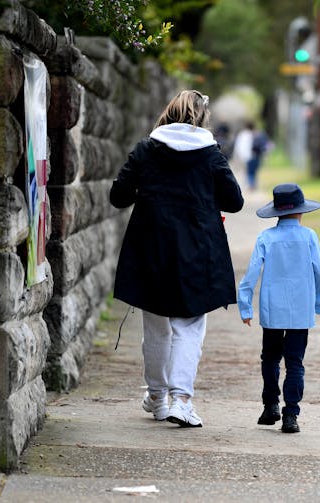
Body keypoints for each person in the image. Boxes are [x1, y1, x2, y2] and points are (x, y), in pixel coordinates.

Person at [110, 90, 244, 428]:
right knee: (189, 326)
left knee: (156, 326)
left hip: (151, 245)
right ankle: (181, 401)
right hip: (197, 250)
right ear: (201, 119)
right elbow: (234, 201)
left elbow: (118, 196)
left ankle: (157, 398)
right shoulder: (210, 154)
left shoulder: (146, 149)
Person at [238, 184, 320, 434]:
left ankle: (270, 405)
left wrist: (245, 307)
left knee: (270, 358)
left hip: (272, 310)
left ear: (276, 212)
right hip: (301, 311)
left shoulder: (266, 237)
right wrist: (317, 304)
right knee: (295, 362)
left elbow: (250, 275)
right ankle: (291, 415)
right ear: (301, 212)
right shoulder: (309, 236)